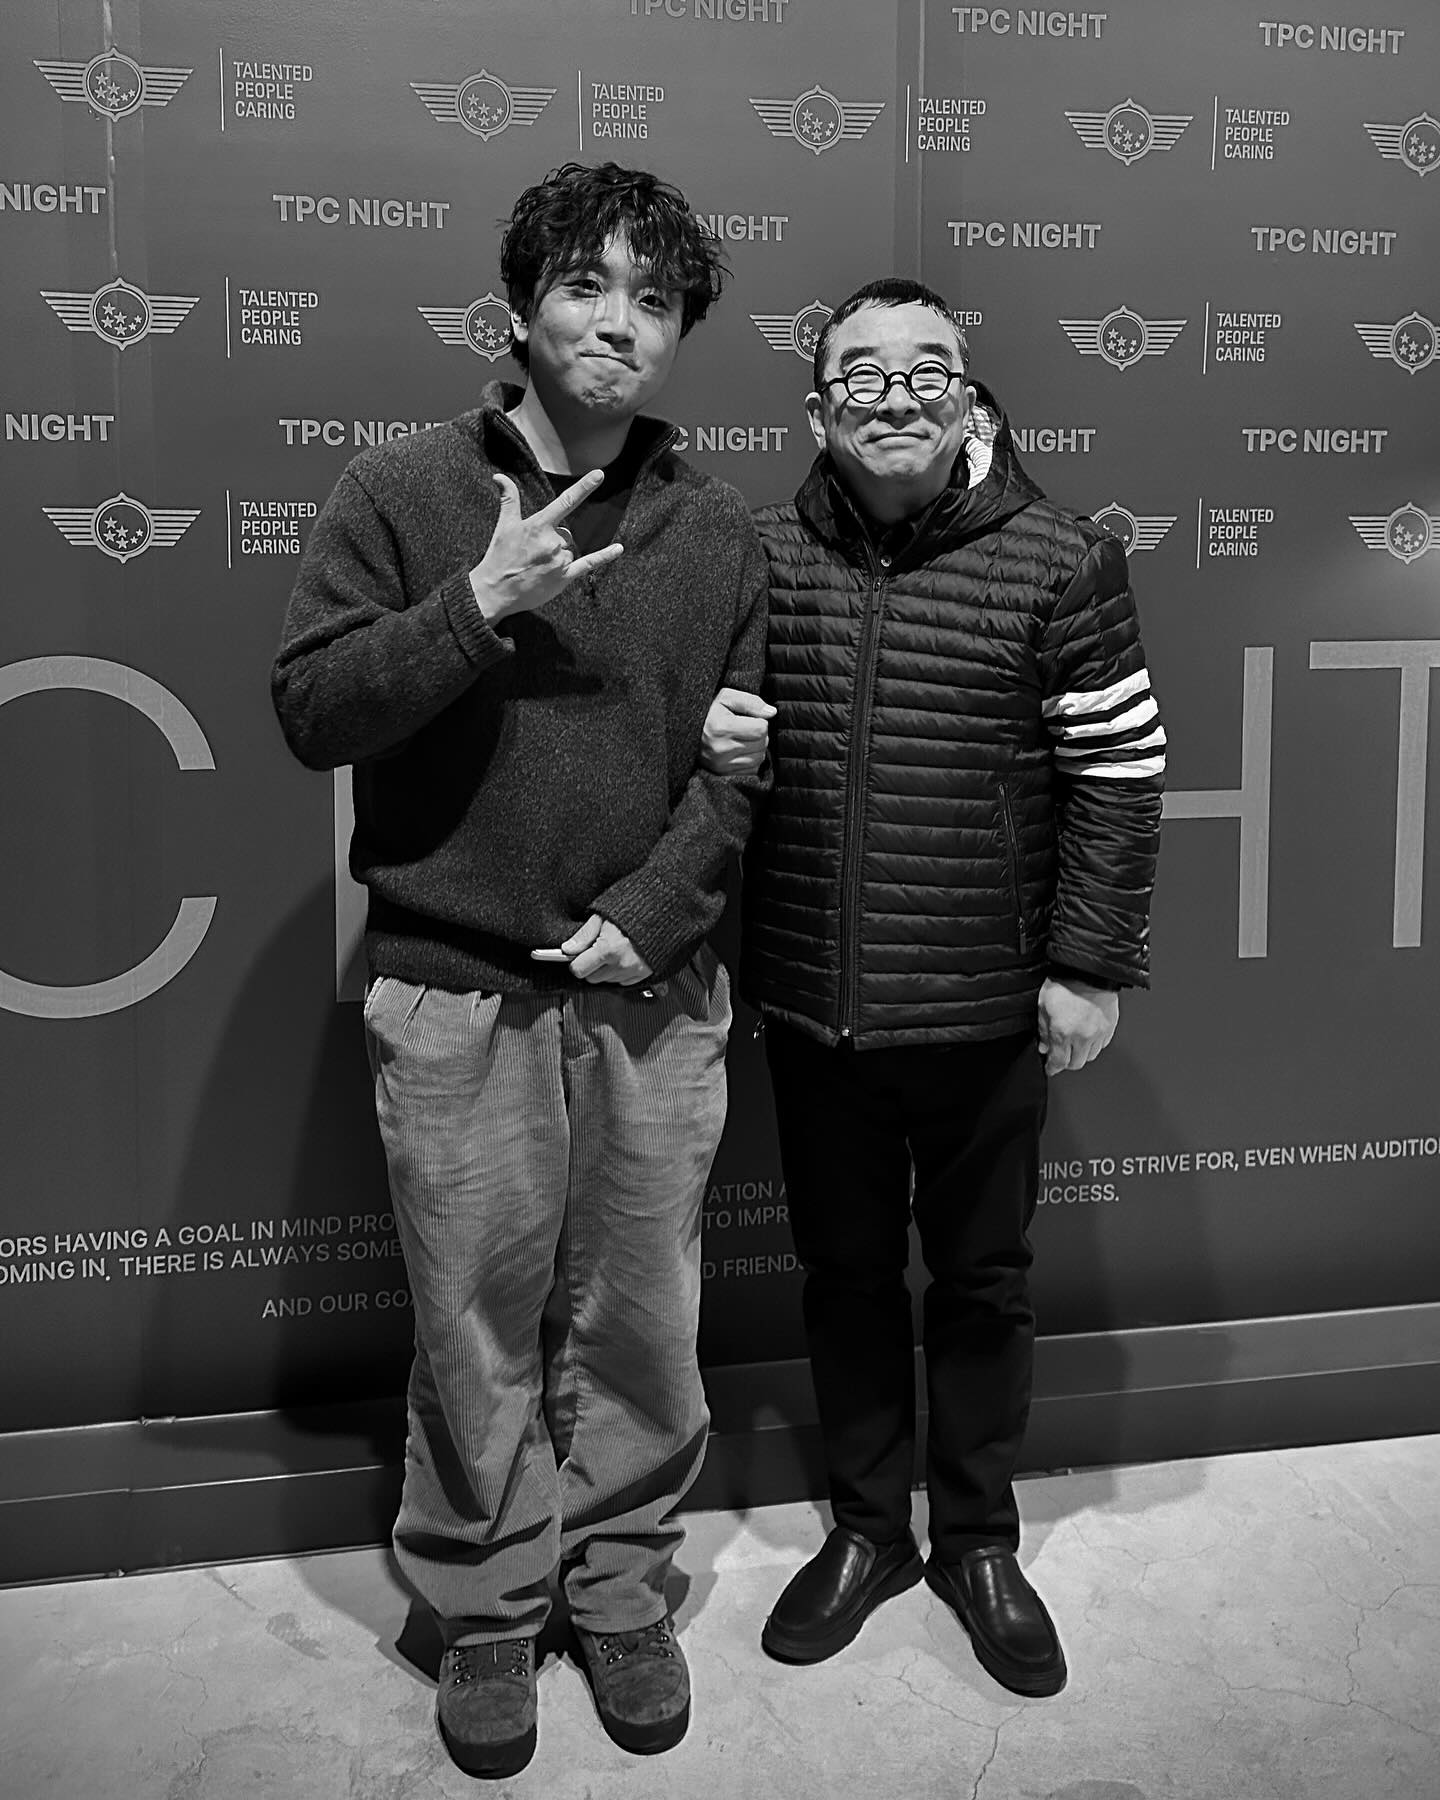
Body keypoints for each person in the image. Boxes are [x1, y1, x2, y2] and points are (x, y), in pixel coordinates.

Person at [271, 162, 769, 1779]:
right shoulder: (402, 491)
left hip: (652, 990)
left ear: (680, 333)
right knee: (472, 1320)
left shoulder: (717, 532)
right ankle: (488, 1607)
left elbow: (741, 768)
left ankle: (618, 1587)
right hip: (454, 987)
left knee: (645, 1315)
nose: (618, 323)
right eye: (586, 286)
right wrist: (479, 603)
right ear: (520, 308)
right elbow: (312, 711)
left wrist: (658, 910)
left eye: (654, 300)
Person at [705, 276, 1163, 1697]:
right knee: (843, 1280)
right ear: (816, 408)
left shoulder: (1061, 558)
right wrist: (716, 742)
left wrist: (1087, 967)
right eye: (862, 372)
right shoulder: (758, 554)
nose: (895, 395)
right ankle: (867, 1530)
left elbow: (1118, 775)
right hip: (816, 1007)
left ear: (969, 396)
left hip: (985, 1010)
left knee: (981, 1284)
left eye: (928, 369)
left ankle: (974, 1541)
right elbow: (703, 747)